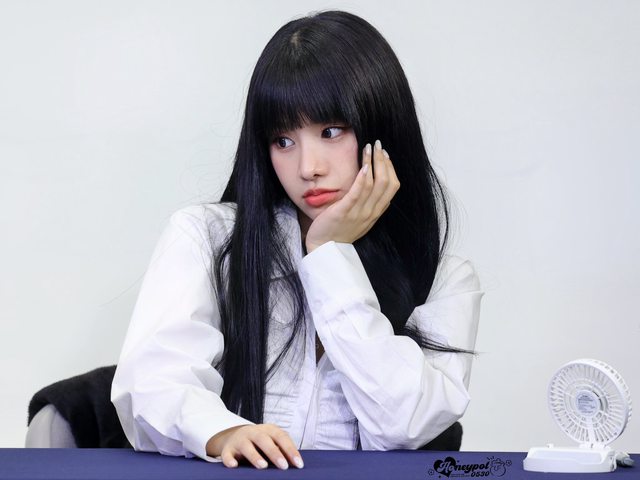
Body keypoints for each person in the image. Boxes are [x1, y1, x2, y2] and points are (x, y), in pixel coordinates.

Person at [111, 10, 482, 471]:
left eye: (331, 131)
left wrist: (329, 255)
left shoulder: (445, 278)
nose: (308, 167)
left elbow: (405, 426)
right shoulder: (208, 236)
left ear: (383, 127)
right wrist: (224, 432)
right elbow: (152, 384)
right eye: (283, 141)